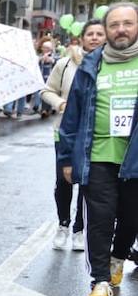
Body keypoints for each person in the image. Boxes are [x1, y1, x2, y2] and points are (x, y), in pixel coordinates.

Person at [58, 3, 138, 296]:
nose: (121, 29)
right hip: (99, 155)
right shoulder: (92, 64)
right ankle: (100, 281)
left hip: (134, 158)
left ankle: (119, 256)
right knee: (100, 220)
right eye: (114, 24)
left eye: (127, 23)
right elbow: (73, 114)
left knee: (132, 218)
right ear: (106, 30)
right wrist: (66, 158)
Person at [43, 18, 105, 250]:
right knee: (64, 180)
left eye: (100, 34)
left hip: (95, 134)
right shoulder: (66, 64)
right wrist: (60, 104)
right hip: (65, 131)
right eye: (91, 33)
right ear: (82, 37)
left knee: (88, 182)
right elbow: (47, 90)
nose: (95, 38)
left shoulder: (107, 66)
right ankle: (63, 224)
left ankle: (80, 229)